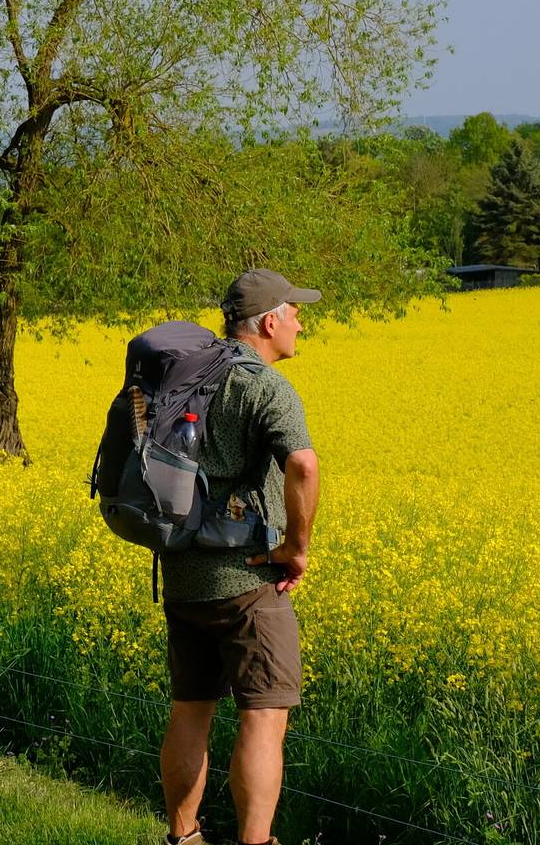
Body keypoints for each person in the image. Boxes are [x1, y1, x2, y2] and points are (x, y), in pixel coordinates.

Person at [160, 268, 322, 845]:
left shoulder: (187, 375)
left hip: (181, 571)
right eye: (295, 312)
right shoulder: (263, 385)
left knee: (191, 709)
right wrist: (295, 549)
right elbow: (302, 464)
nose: (301, 322)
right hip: (246, 579)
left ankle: (183, 838)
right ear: (270, 321)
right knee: (264, 716)